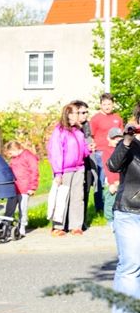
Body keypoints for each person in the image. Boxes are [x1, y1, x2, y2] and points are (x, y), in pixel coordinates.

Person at [106, 123, 140, 313]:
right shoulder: (129, 144)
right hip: (130, 211)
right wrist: (127, 140)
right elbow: (112, 165)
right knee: (131, 263)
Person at [46, 103, 88, 236]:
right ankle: (58, 227)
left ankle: (76, 226)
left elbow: (83, 150)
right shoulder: (59, 131)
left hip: (79, 168)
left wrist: (88, 149)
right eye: (76, 113)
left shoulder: (78, 131)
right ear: (69, 114)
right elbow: (56, 153)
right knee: (62, 198)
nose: (79, 115)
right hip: (65, 170)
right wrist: (58, 173)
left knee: (77, 198)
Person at [89, 93, 123, 222]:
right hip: (101, 152)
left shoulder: (117, 118)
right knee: (102, 181)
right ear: (100, 105)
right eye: (104, 104)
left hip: (116, 152)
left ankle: (116, 205)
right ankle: (100, 208)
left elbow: (121, 134)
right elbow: (91, 136)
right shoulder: (96, 119)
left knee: (116, 179)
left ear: (113, 104)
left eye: (109, 104)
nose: (107, 107)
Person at [4, 140, 39, 239]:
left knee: (22, 209)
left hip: (24, 188)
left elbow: (34, 171)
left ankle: (22, 227)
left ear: (15, 149)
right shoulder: (14, 159)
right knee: (9, 209)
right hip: (14, 188)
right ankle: (7, 226)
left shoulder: (28, 156)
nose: (10, 155)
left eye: (11, 153)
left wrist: (33, 187)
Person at [73, 99, 100, 222]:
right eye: (82, 112)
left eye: (86, 112)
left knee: (85, 191)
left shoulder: (87, 126)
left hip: (88, 163)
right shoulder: (69, 128)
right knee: (74, 195)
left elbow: (90, 141)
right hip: (74, 166)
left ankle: (81, 221)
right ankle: (68, 222)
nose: (85, 115)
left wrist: (91, 147)